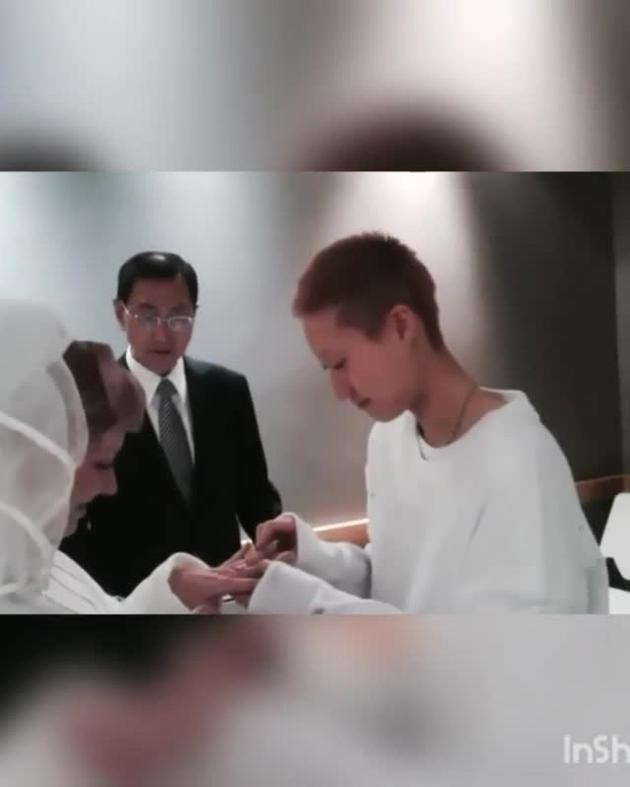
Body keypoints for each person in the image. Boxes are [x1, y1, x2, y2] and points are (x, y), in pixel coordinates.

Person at [241, 232, 609, 613]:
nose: (338, 390)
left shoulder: (521, 463)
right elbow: (392, 584)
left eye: (340, 363)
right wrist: (311, 559)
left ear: (401, 326)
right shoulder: (388, 441)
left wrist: (304, 602)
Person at [0, 298, 258, 614]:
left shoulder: (38, 555)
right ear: (41, 454)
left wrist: (176, 588)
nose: (111, 487)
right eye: (103, 464)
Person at [63, 251, 282, 596]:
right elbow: (73, 523)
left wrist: (277, 553)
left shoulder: (227, 390)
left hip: (226, 596)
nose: (163, 335)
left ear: (195, 314)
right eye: (147, 316)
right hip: (131, 605)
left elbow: (255, 496)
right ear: (120, 314)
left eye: (179, 317)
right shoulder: (92, 400)